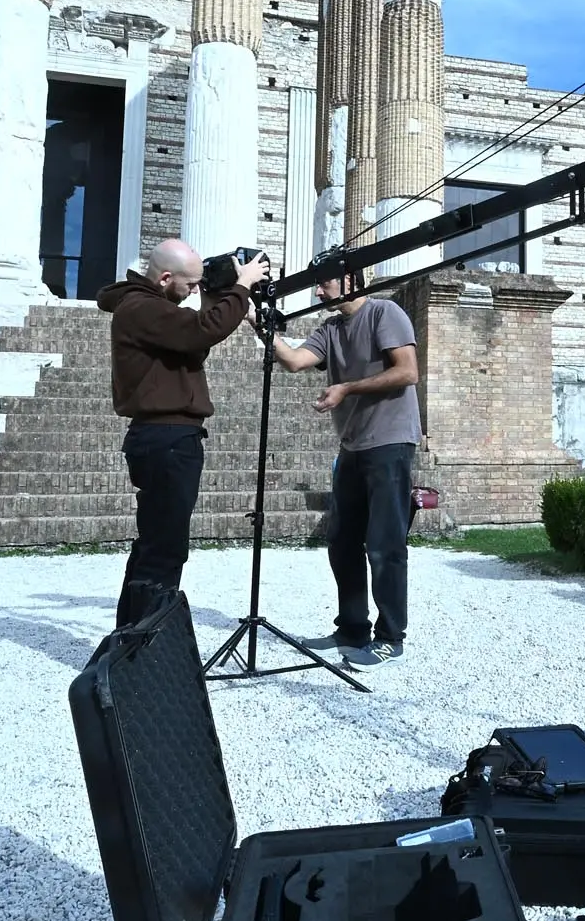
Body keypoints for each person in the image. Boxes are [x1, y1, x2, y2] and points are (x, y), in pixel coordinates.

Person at [96, 238, 269, 628]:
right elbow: (199, 333)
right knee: (164, 549)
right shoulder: (141, 307)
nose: (194, 291)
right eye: (190, 284)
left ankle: (132, 635)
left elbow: (192, 342)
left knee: (156, 543)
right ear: (165, 278)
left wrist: (215, 301)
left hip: (166, 438)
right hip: (167, 439)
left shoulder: (149, 309)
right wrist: (242, 286)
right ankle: (141, 646)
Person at [271, 272, 420, 668]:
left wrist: (347, 388)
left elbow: (408, 371)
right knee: (342, 541)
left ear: (352, 280)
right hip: (352, 447)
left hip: (390, 443)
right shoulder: (331, 328)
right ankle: (352, 628)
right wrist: (260, 325)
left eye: (325, 284)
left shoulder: (384, 312)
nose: (318, 292)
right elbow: (294, 361)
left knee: (385, 545)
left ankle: (391, 637)